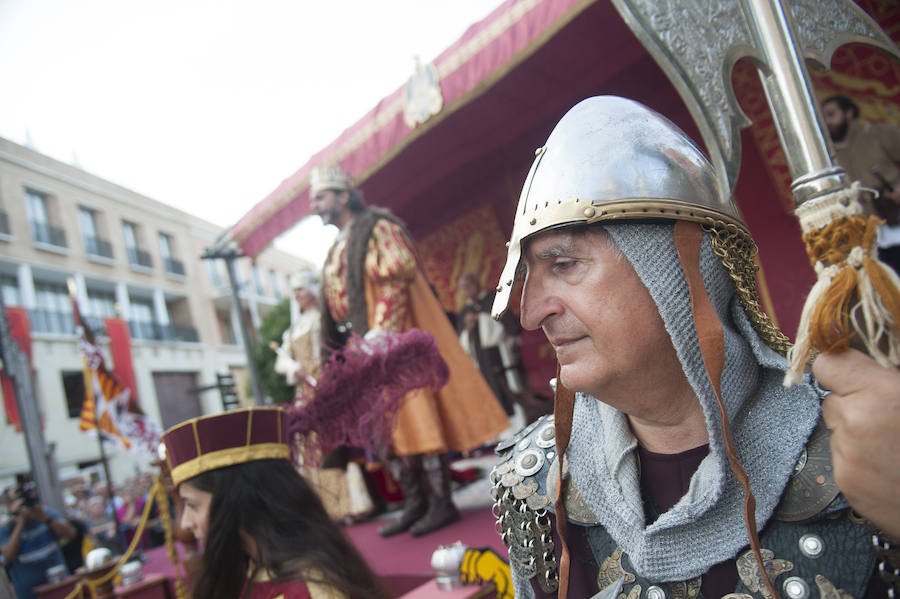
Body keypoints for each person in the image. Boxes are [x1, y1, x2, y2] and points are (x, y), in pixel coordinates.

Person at [490, 96, 895, 599]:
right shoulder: (535, 479)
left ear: (683, 272)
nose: (529, 314)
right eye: (527, 276)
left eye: (565, 264)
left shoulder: (868, 447)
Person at [309, 165, 509, 537]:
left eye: (320, 197)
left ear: (342, 194)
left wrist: (383, 331)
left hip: (396, 342)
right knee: (389, 427)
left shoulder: (377, 226)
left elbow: (395, 276)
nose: (315, 205)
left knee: (417, 416)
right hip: (363, 346)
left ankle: (440, 502)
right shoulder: (337, 246)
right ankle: (415, 502)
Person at [161, 407, 388, 599]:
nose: (186, 523)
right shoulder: (244, 569)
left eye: (193, 506)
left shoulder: (310, 589)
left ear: (237, 501)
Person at [272, 272, 375, 524]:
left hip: (327, 388)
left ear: (311, 290)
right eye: (294, 291)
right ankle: (326, 509)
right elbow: (281, 362)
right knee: (312, 450)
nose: (297, 295)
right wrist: (292, 368)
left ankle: (353, 504)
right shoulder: (294, 327)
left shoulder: (322, 319)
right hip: (305, 395)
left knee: (335, 445)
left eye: (301, 289)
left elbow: (336, 349)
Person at [821, 94, 900, 274]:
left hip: (896, 216)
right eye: (823, 116)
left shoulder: (878, 134)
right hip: (865, 233)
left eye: (831, 114)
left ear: (848, 113)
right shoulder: (826, 154)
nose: (827, 121)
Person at [458, 272, 526, 423]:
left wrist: (482, 320)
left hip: (502, 357)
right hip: (482, 364)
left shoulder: (495, 299)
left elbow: (511, 329)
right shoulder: (465, 312)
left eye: (469, 285)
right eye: (464, 287)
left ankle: (519, 423)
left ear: (477, 283)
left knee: (509, 392)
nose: (468, 290)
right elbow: (462, 345)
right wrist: (468, 329)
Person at [0, 482, 76, 599]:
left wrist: (44, 518)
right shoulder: (6, 530)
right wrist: (20, 523)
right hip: (30, 594)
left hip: (60, 586)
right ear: (9, 506)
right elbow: (8, 556)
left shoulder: (46, 515)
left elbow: (71, 534)